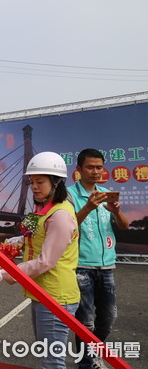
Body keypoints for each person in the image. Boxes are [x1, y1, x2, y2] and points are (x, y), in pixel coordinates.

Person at [0, 152, 80, 369]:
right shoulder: (43, 211)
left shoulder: (60, 216)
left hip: (56, 295)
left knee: (52, 361)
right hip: (43, 292)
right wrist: (19, 241)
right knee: (47, 355)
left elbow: (46, 261)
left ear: (56, 182)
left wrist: (6, 273)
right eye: (32, 182)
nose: (35, 187)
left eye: (40, 182)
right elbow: (38, 240)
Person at [67, 149, 129, 369]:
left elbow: (124, 226)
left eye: (99, 167)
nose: (95, 171)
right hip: (81, 266)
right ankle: (88, 362)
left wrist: (116, 211)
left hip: (107, 266)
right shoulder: (69, 195)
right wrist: (88, 207)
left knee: (109, 318)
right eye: (90, 167)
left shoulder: (106, 193)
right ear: (78, 170)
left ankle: (92, 354)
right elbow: (66, 227)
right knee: (86, 322)